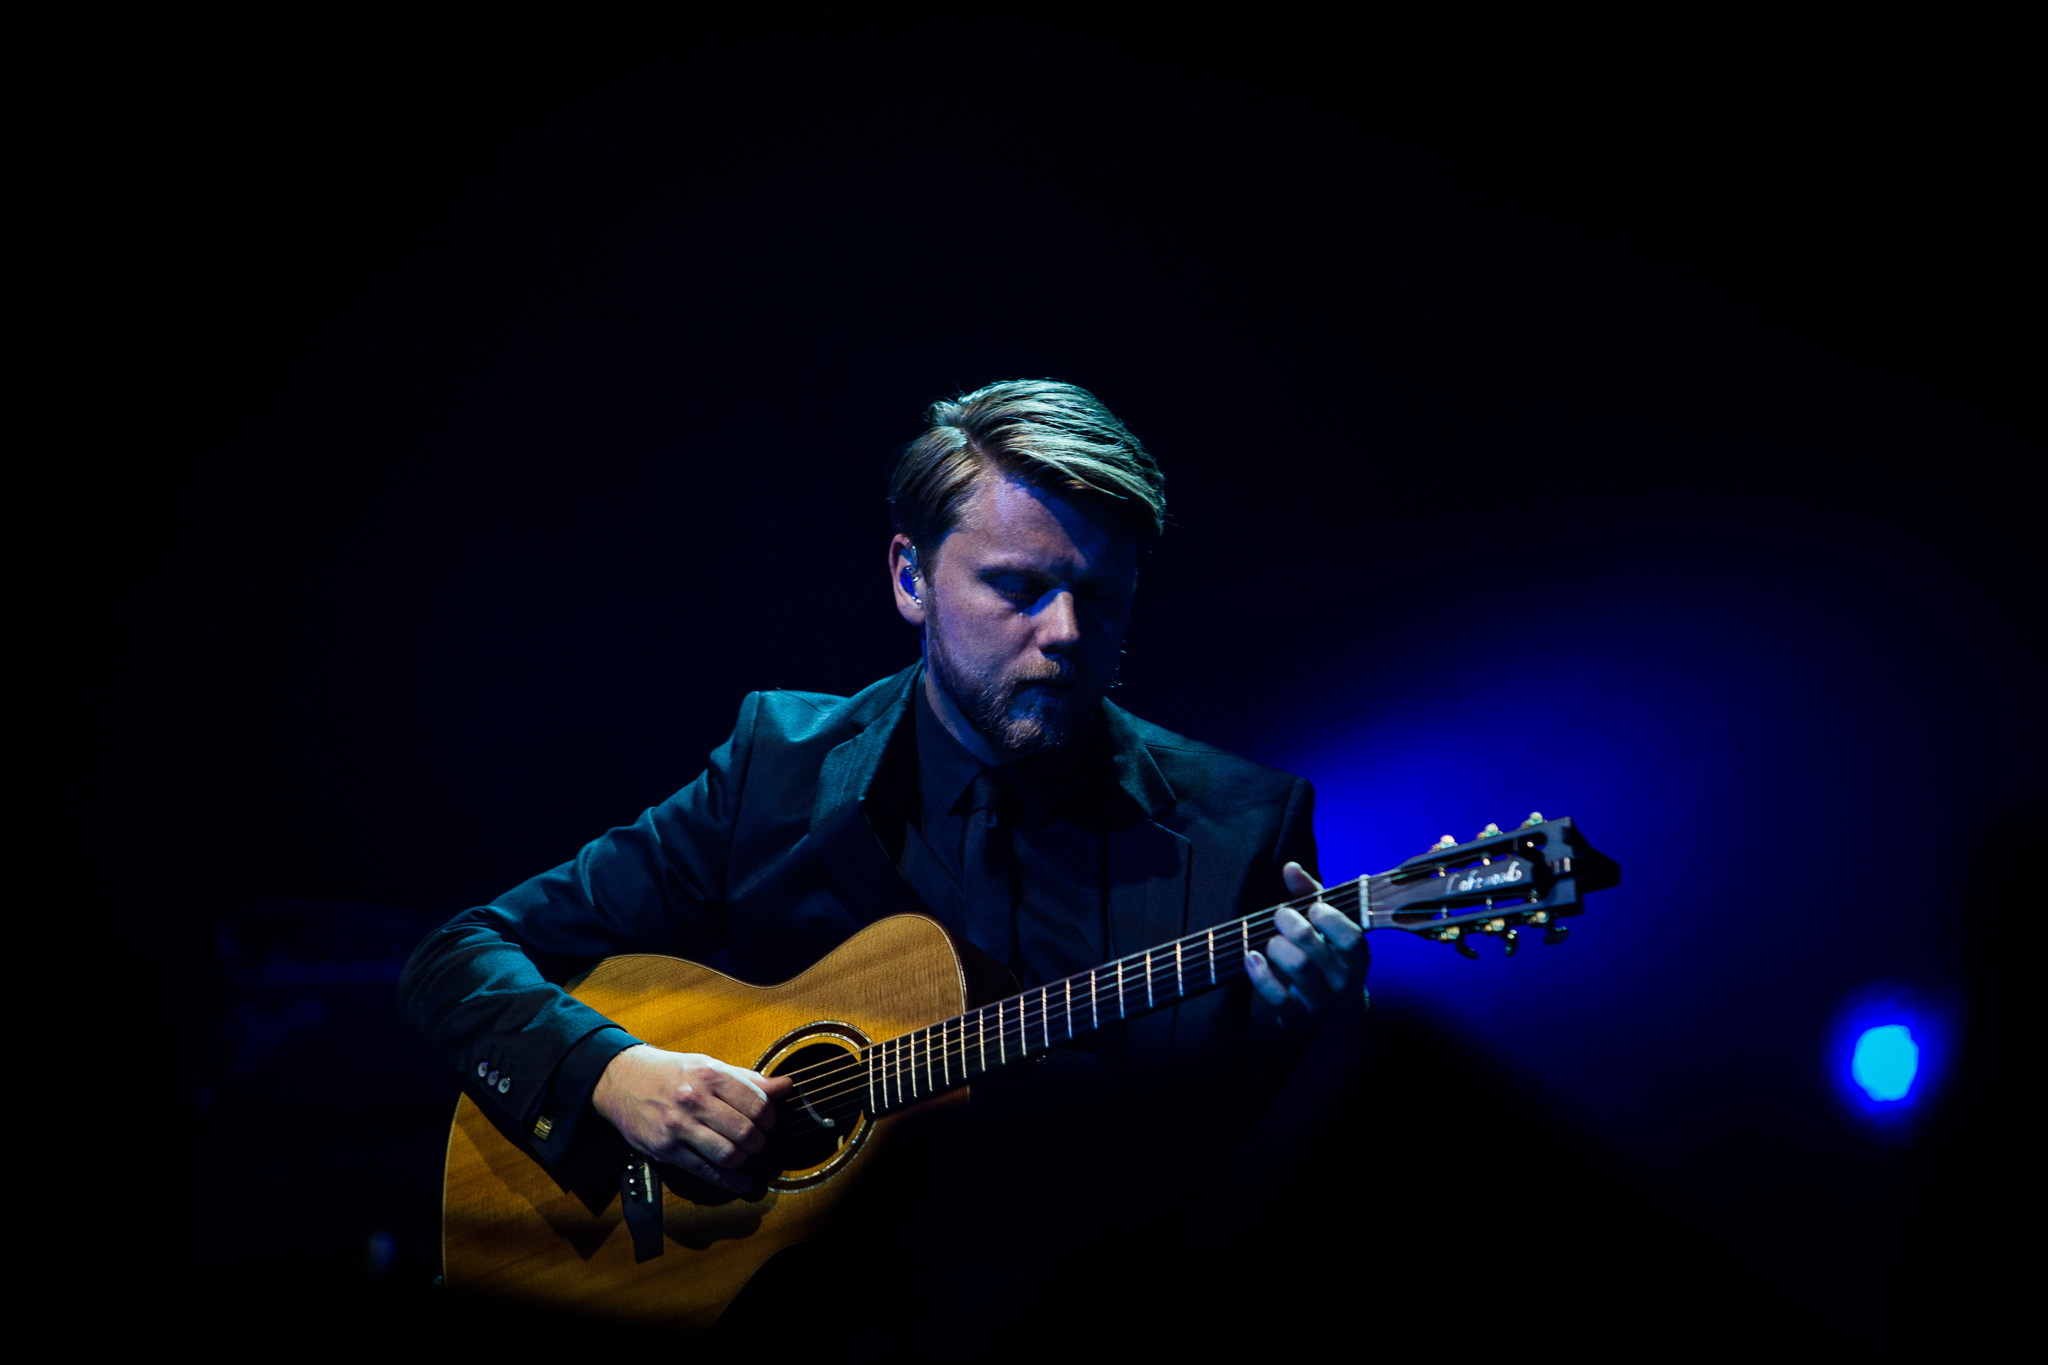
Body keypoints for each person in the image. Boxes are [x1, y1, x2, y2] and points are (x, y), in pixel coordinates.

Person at [398, 379, 1365, 1198]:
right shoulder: (777, 768)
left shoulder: (1242, 828)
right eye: (1020, 587)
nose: (1067, 632)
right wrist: (613, 1072)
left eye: (1100, 596)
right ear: (912, 577)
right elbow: (459, 956)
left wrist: (1316, 1043)